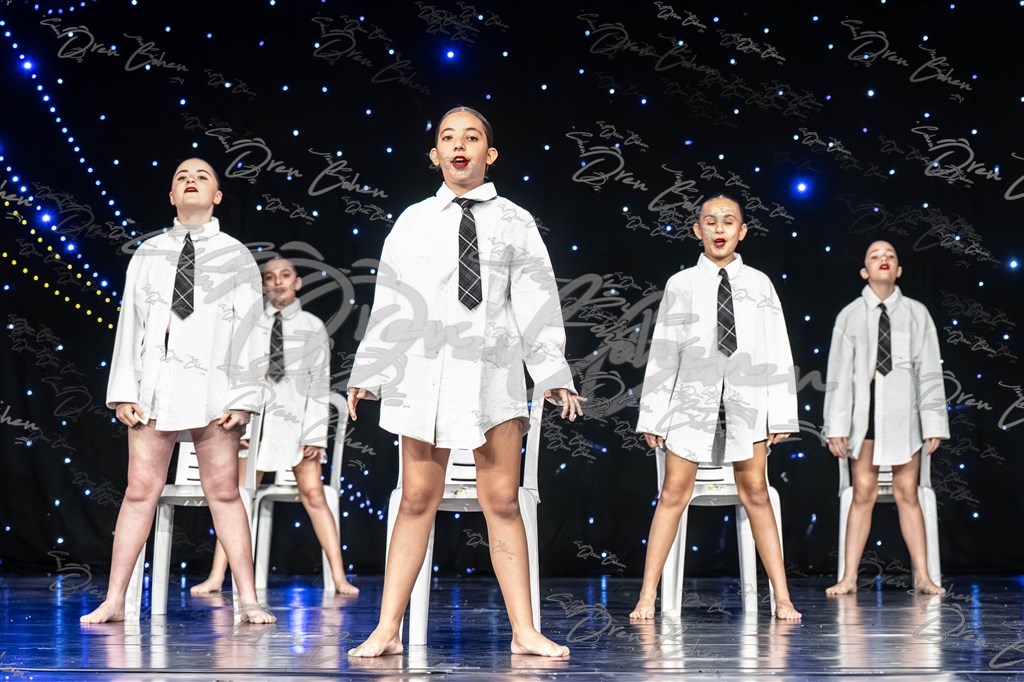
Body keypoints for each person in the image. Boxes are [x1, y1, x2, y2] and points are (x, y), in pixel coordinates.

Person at [346, 106, 584, 657]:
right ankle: (387, 629)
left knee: (502, 500)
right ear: (435, 155)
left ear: (489, 154)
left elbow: (536, 301)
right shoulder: (413, 221)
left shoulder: (515, 221)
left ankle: (524, 631)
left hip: (492, 373)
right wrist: (370, 371)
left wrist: (551, 372)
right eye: (448, 138)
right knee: (416, 498)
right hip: (424, 372)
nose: (460, 145)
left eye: (471, 137)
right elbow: (392, 302)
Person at [81, 158, 274, 624]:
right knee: (139, 491)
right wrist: (124, 390)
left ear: (217, 196)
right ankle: (115, 599)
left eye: (202, 176)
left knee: (224, 492)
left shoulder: (235, 255)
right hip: (157, 387)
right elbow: (130, 325)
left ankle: (248, 598)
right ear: (171, 196)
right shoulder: (149, 253)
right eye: (182, 177)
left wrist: (244, 397)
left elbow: (253, 331)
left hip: (215, 388)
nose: (191, 180)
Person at [632, 193, 802, 621]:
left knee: (756, 492)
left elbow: (778, 349)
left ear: (742, 231)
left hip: (747, 400)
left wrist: (781, 412)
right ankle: (647, 595)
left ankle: (782, 597)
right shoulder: (681, 284)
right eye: (711, 221)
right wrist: (653, 415)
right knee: (673, 492)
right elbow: (664, 351)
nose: (720, 228)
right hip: (691, 401)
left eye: (728, 221)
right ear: (698, 231)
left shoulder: (760, 284)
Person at [190, 256, 359, 596]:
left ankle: (339, 577)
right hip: (256, 426)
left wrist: (315, 435)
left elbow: (319, 383)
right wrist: (240, 425)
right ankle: (217, 576)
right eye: (270, 277)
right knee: (237, 496)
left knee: (314, 494)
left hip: (295, 424)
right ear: (264, 285)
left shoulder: (311, 326)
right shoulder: (251, 324)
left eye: (285, 275)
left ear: (297, 283)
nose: (278, 282)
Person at [823, 240, 948, 596]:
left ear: (899, 270)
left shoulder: (917, 313)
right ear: (864, 271)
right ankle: (849, 576)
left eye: (890, 256)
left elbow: (929, 371)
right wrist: (836, 427)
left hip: (903, 415)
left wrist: (933, 423)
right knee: (862, 492)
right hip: (865, 415)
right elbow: (838, 374)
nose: (884, 260)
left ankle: (923, 576)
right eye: (875, 256)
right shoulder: (849, 315)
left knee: (908, 492)